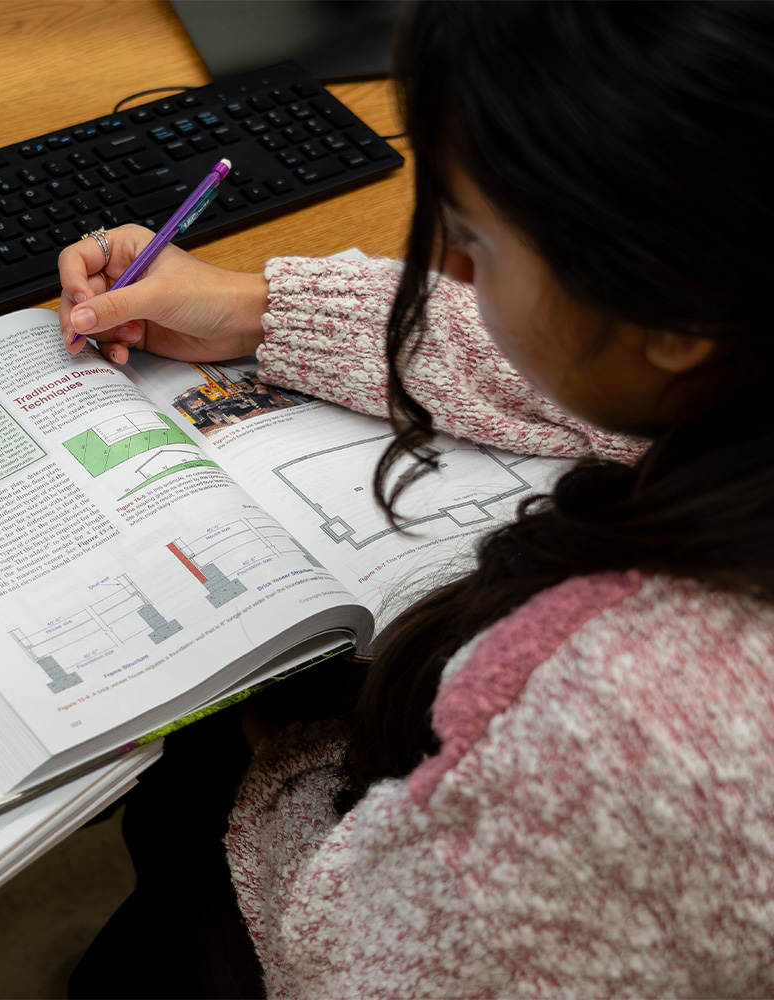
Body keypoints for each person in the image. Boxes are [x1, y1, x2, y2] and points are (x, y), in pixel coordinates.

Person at [58, 1, 774, 996]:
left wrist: (292, 751)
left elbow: (356, 961)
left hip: (342, 886)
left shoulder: (640, 723)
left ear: (677, 312)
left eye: (474, 243)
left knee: (181, 808)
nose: (445, 270)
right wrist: (255, 308)